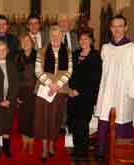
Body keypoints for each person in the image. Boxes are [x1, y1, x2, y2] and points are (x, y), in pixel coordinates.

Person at [95, 14, 134, 161]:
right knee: (105, 119)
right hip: (107, 92)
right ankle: (102, 153)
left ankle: (121, 154)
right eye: (114, 26)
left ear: (125, 28)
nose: (117, 29)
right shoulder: (106, 48)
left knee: (121, 121)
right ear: (110, 28)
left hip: (124, 94)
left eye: (120, 26)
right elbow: (103, 73)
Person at [34, 25, 72, 162]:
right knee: (44, 119)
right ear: (49, 36)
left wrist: (57, 85)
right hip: (44, 90)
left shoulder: (67, 51)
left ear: (62, 36)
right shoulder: (42, 51)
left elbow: (69, 71)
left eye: (58, 35)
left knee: (56, 119)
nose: (55, 38)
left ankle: (51, 145)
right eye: (53, 35)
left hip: (60, 91)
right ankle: (44, 147)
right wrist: (50, 84)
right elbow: (38, 71)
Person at [67, 29, 102, 160]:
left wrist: (79, 90)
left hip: (86, 96)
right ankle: (76, 150)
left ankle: (83, 152)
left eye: (86, 39)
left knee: (82, 124)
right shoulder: (75, 54)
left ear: (91, 41)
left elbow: (94, 79)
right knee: (74, 123)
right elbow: (69, 74)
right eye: (81, 39)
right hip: (72, 95)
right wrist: (69, 89)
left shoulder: (95, 56)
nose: (83, 41)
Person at [14, 33, 37, 155]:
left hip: (35, 92)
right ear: (21, 44)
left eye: (28, 41)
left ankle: (31, 144)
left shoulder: (38, 55)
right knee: (23, 118)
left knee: (33, 118)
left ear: (32, 43)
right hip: (22, 92)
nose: (26, 43)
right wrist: (16, 95)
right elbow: (14, 78)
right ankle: (24, 143)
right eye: (23, 41)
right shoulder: (17, 57)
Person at [57, 14, 80, 134]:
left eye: (66, 21)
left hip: (74, 72)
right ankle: (61, 124)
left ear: (70, 24)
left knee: (72, 99)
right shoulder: (54, 36)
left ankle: (70, 122)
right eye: (61, 21)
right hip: (58, 73)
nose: (64, 24)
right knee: (61, 99)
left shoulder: (76, 36)